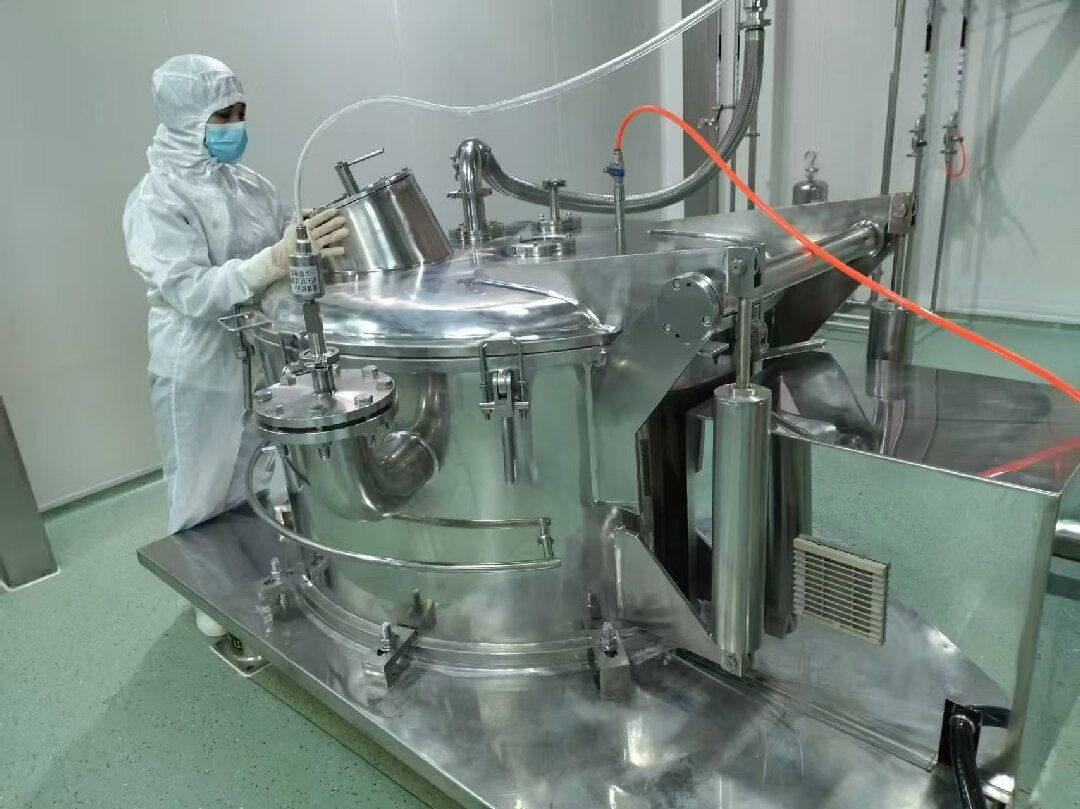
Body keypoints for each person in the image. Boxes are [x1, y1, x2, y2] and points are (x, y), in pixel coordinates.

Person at [123, 54, 348, 533]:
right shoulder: (155, 200)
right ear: (186, 121)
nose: (236, 125)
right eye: (222, 115)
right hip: (201, 366)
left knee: (274, 476)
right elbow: (192, 292)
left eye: (240, 112)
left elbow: (284, 242)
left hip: (265, 353)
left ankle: (278, 563)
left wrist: (304, 236)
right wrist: (276, 259)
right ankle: (212, 581)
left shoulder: (249, 185)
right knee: (204, 491)